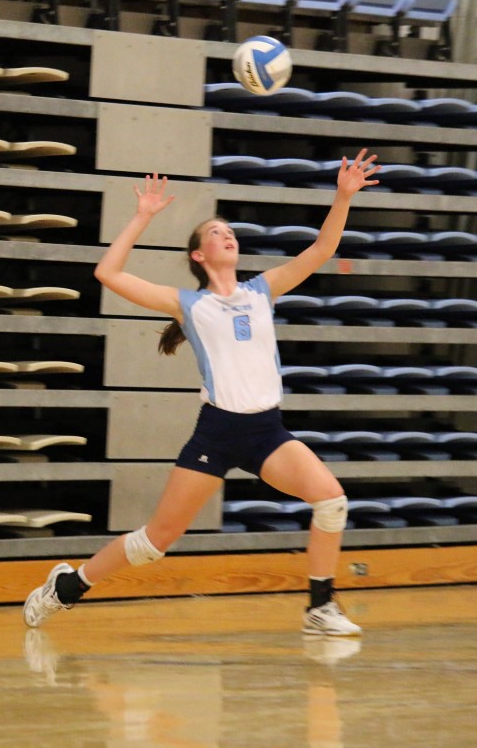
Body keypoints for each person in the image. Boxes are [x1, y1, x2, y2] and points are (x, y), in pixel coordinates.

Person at [23, 148, 382, 636]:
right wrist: (142, 217)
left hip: (267, 431)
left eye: (229, 231)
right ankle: (66, 587)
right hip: (217, 433)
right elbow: (108, 274)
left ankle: (320, 608)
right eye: (215, 232)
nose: (227, 235)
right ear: (198, 255)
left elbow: (321, 250)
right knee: (154, 542)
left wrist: (343, 196)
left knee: (331, 501)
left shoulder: (262, 290)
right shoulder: (188, 304)